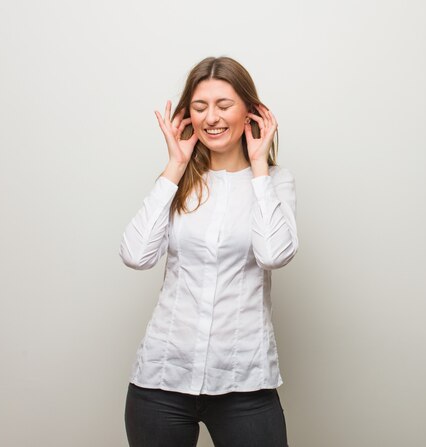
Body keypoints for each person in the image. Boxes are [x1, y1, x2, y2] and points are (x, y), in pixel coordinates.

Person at [119, 56, 298, 447]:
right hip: (162, 379)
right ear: (188, 116)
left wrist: (258, 168)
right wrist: (175, 166)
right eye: (200, 107)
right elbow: (136, 254)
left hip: (244, 381)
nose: (211, 118)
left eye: (224, 105)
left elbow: (273, 254)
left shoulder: (274, 183)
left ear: (251, 112)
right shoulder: (177, 181)